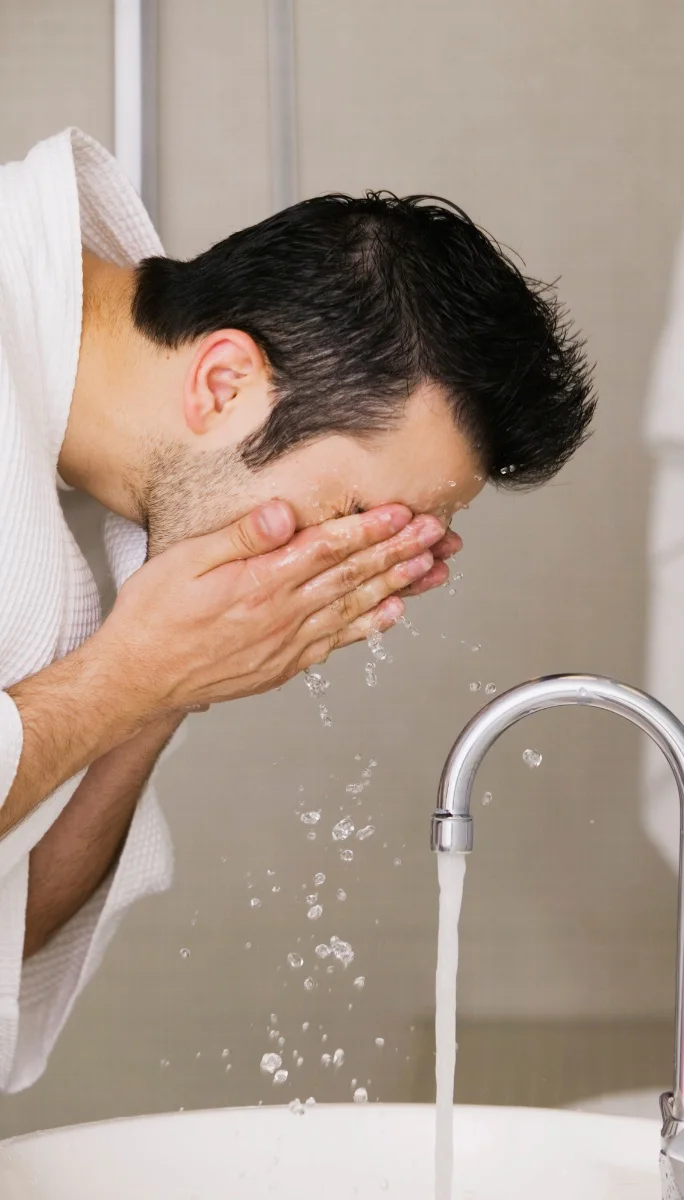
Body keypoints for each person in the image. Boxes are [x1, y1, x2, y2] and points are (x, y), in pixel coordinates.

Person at [0, 128, 594, 1091]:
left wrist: (165, 684)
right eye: (352, 518)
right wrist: (130, 675)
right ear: (224, 383)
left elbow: (9, 931)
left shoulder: (134, 508)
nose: (337, 568)